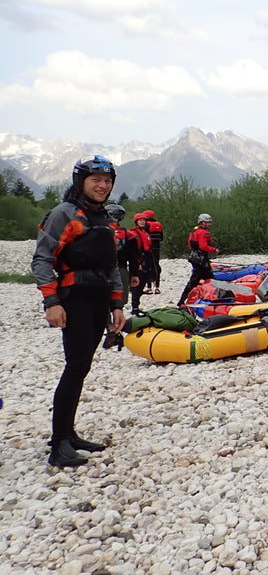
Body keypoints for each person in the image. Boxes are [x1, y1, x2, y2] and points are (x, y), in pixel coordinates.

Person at [31, 155, 126, 467]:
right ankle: (59, 444)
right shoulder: (64, 214)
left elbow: (111, 266)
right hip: (75, 298)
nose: (103, 186)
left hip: (98, 299)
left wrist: (116, 306)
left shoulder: (104, 219)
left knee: (82, 366)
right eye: (96, 180)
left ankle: (69, 433)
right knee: (75, 367)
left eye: (108, 180)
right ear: (81, 182)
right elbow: (43, 259)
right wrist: (52, 302)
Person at [177, 213, 219, 306]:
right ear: (202, 222)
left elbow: (191, 245)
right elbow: (203, 246)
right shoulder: (203, 232)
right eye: (208, 223)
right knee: (206, 280)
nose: (210, 224)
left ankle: (183, 300)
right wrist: (214, 250)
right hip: (201, 260)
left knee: (198, 280)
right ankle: (181, 301)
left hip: (194, 258)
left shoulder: (194, 231)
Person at [106, 204, 142, 304]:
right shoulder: (128, 234)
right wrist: (134, 274)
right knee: (120, 301)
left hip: (102, 270)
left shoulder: (99, 231)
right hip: (121, 269)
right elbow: (134, 257)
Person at [128, 212, 153, 315]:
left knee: (143, 283)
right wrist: (137, 263)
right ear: (136, 222)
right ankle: (134, 307)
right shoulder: (134, 234)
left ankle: (136, 306)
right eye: (140, 220)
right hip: (139, 260)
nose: (142, 222)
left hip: (146, 260)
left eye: (144, 220)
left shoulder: (145, 232)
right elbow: (133, 251)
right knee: (136, 285)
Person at [141, 210, 163, 294]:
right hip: (157, 249)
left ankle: (149, 288)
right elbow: (161, 238)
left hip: (148, 249)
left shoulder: (146, 225)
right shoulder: (159, 225)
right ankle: (157, 287)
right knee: (156, 266)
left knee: (148, 267)